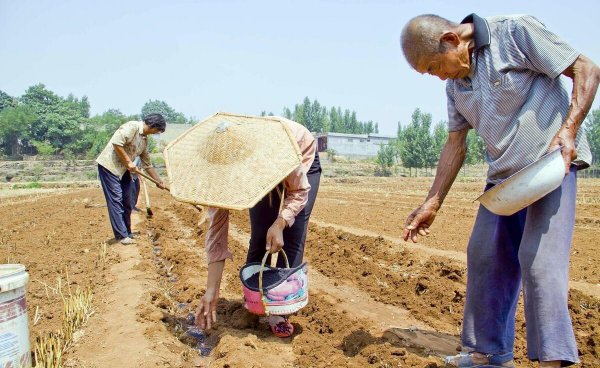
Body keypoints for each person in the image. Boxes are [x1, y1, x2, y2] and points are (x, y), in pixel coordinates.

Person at [399, 13, 599, 368]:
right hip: (504, 180)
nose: (438, 76)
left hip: (549, 167)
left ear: (450, 39)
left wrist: (569, 130)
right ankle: (487, 354)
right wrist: (432, 203)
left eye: (434, 67)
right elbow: (455, 145)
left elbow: (586, 68)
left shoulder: (514, 33)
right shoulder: (455, 86)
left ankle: (555, 359)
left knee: (540, 263)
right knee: (484, 256)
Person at [194, 117, 321, 338]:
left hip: (300, 154)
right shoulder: (220, 175)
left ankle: (280, 310)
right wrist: (211, 290)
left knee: (291, 234)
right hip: (263, 164)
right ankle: (254, 300)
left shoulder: (277, 149)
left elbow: (299, 192)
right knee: (260, 233)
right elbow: (217, 232)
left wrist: (280, 222)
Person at [96, 113, 167, 245]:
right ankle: (121, 236)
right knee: (116, 199)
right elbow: (116, 143)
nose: (156, 133)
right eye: (157, 130)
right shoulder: (132, 126)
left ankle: (127, 232)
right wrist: (129, 162)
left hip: (124, 170)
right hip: (109, 167)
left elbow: (147, 164)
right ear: (153, 126)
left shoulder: (144, 140)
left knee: (128, 200)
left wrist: (158, 181)